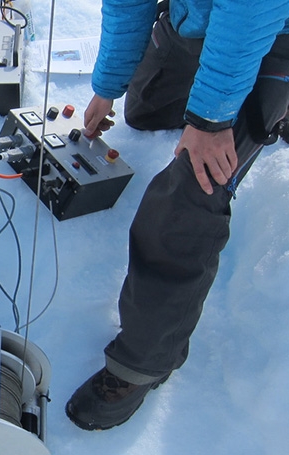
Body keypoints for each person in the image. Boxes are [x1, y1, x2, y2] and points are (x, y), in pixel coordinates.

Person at [66, 0, 289, 431]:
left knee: (190, 193)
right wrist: (109, 83)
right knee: (145, 109)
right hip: (198, 18)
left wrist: (210, 120)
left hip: (266, 23)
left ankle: (143, 363)